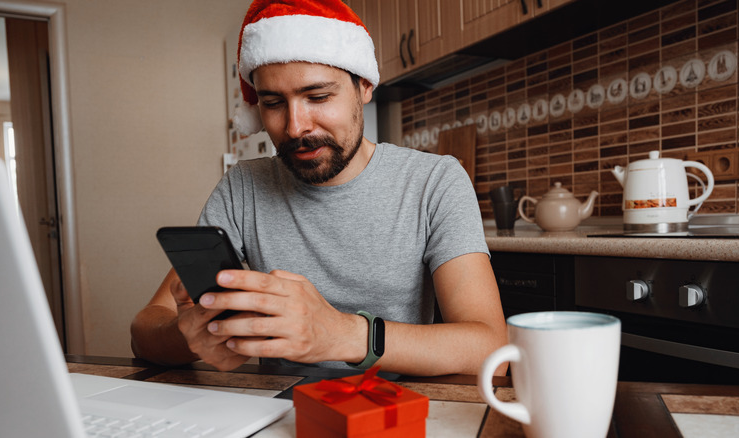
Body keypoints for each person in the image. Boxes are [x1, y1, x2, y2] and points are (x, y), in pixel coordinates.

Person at [130, 0, 508, 377]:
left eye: (318, 97)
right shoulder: (242, 188)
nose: (295, 127)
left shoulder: (434, 181)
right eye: (274, 103)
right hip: (277, 413)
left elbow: (490, 347)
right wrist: (192, 336)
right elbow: (145, 329)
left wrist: (340, 334)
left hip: (391, 415)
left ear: (363, 86)